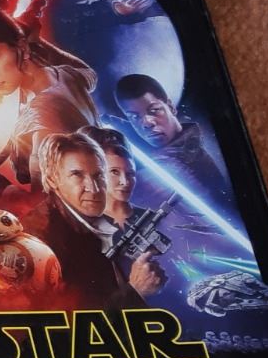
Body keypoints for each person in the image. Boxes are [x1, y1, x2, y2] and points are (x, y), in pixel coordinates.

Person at [0, 5, 97, 188]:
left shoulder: (43, 117)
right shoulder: (64, 75)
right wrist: (37, 42)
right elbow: (89, 74)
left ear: (22, 48)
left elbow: (41, 203)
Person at [33, 131, 146, 309]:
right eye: (77, 175)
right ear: (52, 180)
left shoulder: (85, 222)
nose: (94, 189)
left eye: (98, 175)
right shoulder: (45, 241)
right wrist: (136, 291)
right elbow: (77, 319)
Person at [113, 74, 231, 202]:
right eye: (134, 117)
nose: (147, 122)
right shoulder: (176, 148)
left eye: (154, 110)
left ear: (170, 107)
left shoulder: (176, 165)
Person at [81, 125, 169, 295]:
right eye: (114, 171)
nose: (125, 181)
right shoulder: (80, 228)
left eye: (130, 173)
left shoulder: (151, 218)